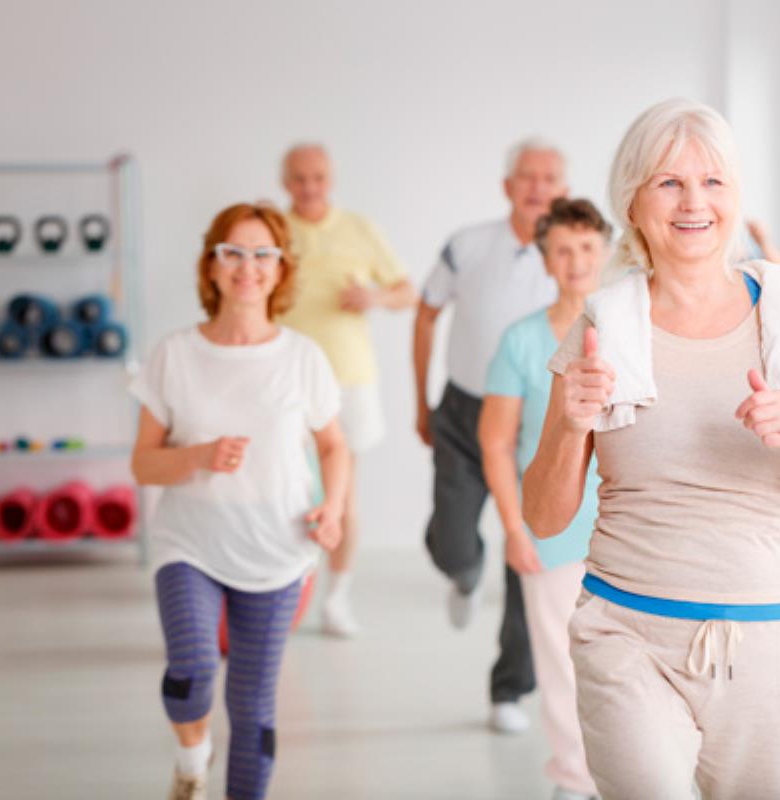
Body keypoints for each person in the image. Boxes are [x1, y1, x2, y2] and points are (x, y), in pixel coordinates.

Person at [523, 99, 780, 799]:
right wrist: (568, 422)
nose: (694, 203)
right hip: (628, 633)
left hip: (774, 635)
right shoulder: (604, 323)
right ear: (634, 200)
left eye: (712, 182)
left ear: (735, 195)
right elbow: (545, 516)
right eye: (669, 183)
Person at [130, 202, 351, 800]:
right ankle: (191, 750)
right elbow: (143, 462)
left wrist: (332, 508)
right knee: (193, 670)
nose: (247, 266)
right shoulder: (174, 353)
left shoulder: (302, 357)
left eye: (263, 254)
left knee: (253, 709)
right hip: (189, 543)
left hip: (278, 551)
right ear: (212, 264)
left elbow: (334, 447)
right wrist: (198, 456)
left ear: (280, 270)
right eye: (233, 252)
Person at [413, 138, 567, 734]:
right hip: (462, 409)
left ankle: (510, 689)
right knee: (451, 540)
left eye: (549, 177)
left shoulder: (574, 255)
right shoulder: (468, 245)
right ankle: (463, 570)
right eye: (526, 177)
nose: (537, 187)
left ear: (563, 188)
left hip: (536, 420)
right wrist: (419, 399)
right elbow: (425, 312)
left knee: (529, 554)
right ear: (508, 187)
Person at [479, 198, 609, 800]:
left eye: (586, 247)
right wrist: (513, 528)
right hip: (553, 531)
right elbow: (498, 443)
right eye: (563, 249)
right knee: (561, 666)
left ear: (604, 249)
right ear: (545, 258)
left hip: (631, 525)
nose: (576, 260)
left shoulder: (632, 327)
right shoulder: (522, 340)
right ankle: (575, 780)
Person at [279, 143, 417, 637]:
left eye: (317, 177)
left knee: (342, 495)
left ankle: (336, 599)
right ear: (285, 181)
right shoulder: (274, 231)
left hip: (349, 378)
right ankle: (286, 593)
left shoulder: (359, 229)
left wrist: (373, 297)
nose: (309, 187)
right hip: (285, 379)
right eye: (299, 178)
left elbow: (407, 292)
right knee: (284, 490)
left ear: (330, 177)